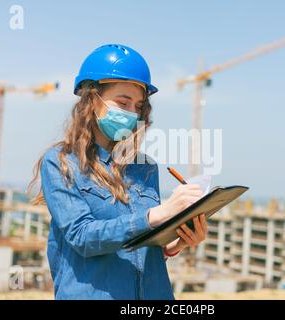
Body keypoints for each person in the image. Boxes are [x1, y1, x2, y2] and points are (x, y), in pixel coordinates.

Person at [27, 44, 208, 300]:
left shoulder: (145, 168)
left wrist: (173, 245)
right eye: (123, 102)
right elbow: (83, 237)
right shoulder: (60, 163)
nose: (132, 113)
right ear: (92, 100)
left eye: (138, 106)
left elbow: (138, 244)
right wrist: (158, 213)